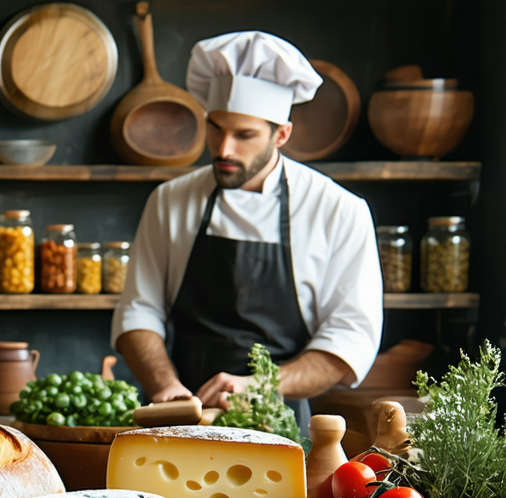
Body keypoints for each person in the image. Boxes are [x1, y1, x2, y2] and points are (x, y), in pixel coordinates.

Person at [111, 31, 383, 428]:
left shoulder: (338, 210)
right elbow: (139, 310)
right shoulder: (170, 201)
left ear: (282, 134)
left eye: (245, 135)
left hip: (281, 424)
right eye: (216, 128)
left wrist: (262, 384)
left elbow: (349, 339)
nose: (224, 149)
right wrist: (164, 385)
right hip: (182, 416)